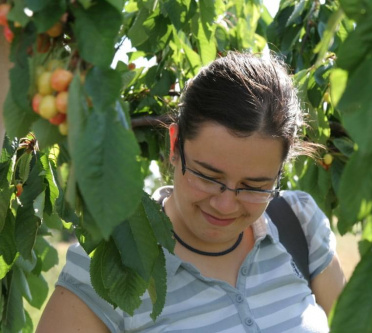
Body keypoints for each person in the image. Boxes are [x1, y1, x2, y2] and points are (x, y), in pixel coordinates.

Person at [37, 52, 346, 332]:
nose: (225, 204)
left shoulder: (300, 223)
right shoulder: (106, 265)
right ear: (174, 145)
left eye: (255, 186)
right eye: (208, 176)